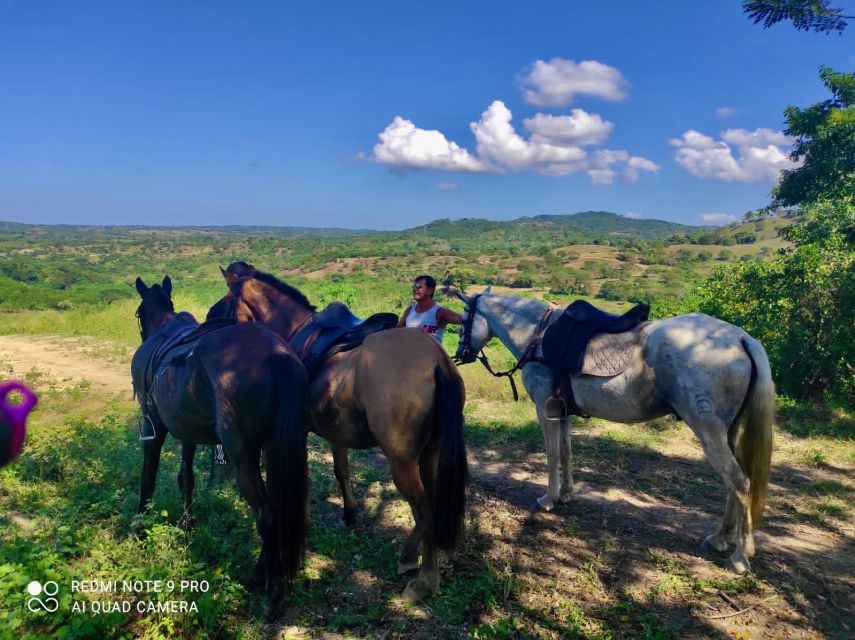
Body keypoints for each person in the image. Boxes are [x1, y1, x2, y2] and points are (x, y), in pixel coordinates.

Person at [398, 275, 463, 345]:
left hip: (431, 355)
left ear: (430, 290)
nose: (415, 289)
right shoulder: (409, 311)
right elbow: (396, 331)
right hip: (409, 354)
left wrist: (464, 330)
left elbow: (466, 320)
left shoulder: (440, 312)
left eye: (419, 286)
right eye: (414, 286)